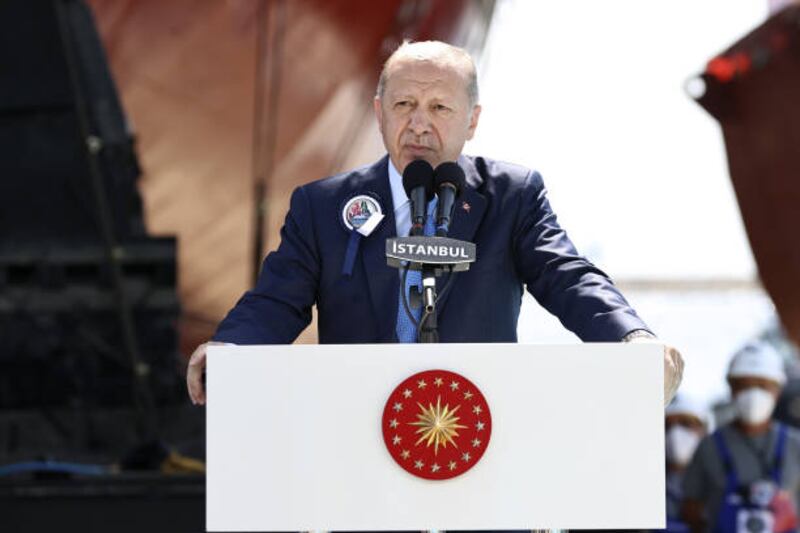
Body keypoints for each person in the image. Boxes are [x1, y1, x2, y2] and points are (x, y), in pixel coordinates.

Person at [186, 40, 683, 405]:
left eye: (440, 107)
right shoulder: (323, 207)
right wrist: (230, 349)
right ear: (379, 113)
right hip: (356, 434)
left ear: (472, 119)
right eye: (404, 105)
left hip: (477, 432)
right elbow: (277, 300)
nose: (419, 124)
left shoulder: (512, 196)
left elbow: (567, 276)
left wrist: (631, 339)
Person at [682, 342, 800, 533]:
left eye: (762, 385)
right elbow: (690, 509)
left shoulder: (795, 444)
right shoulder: (709, 446)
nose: (753, 393)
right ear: (731, 388)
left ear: (777, 390)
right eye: (743, 385)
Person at [663, 396, 710, 532]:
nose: (675, 433)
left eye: (686, 424)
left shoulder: (720, 484)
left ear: (705, 430)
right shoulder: (644, 487)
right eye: (667, 426)